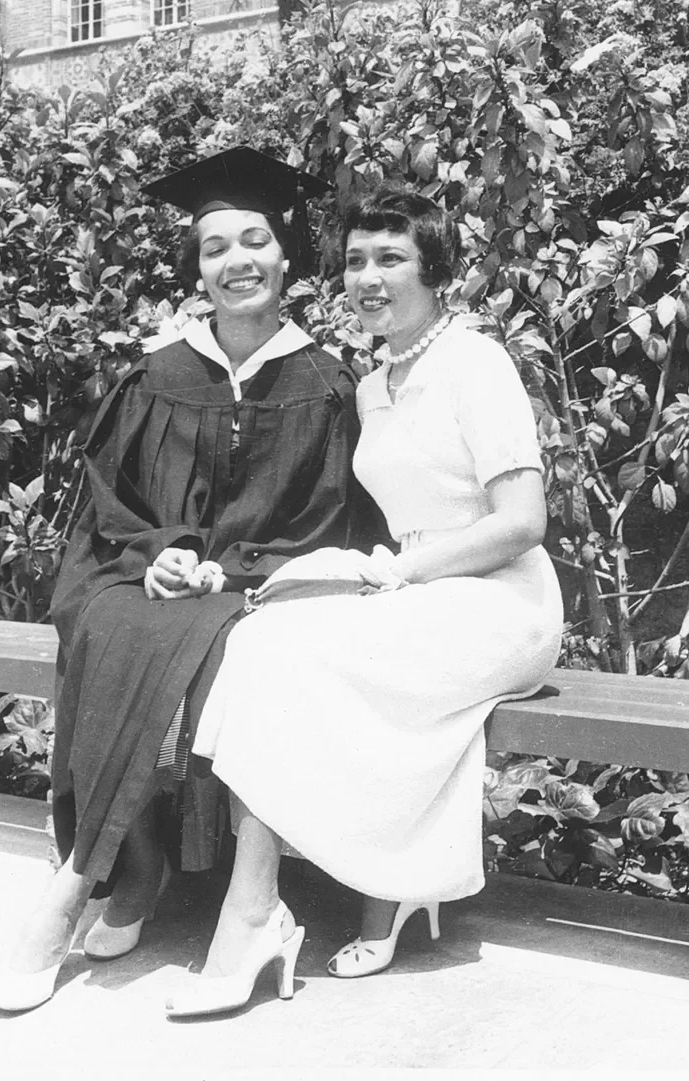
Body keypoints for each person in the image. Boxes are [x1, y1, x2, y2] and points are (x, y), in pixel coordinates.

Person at [0, 147, 371, 1012]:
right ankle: (131, 869)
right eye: (214, 246)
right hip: (153, 576)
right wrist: (157, 550)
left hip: (263, 587)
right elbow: (107, 506)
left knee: (229, 643)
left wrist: (230, 567)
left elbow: (330, 522)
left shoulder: (325, 384)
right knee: (110, 620)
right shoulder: (158, 374)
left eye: (255, 239)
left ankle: (88, 879)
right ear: (195, 266)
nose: (236, 261)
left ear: (288, 255)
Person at [167, 187, 564, 1017]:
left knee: (288, 653)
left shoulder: (476, 363)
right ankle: (279, 902)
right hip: (416, 593)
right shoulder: (376, 382)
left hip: (498, 603)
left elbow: (522, 522)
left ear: (436, 270)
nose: (368, 278)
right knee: (262, 635)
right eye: (354, 261)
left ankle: (255, 915)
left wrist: (401, 577)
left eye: (392, 259)